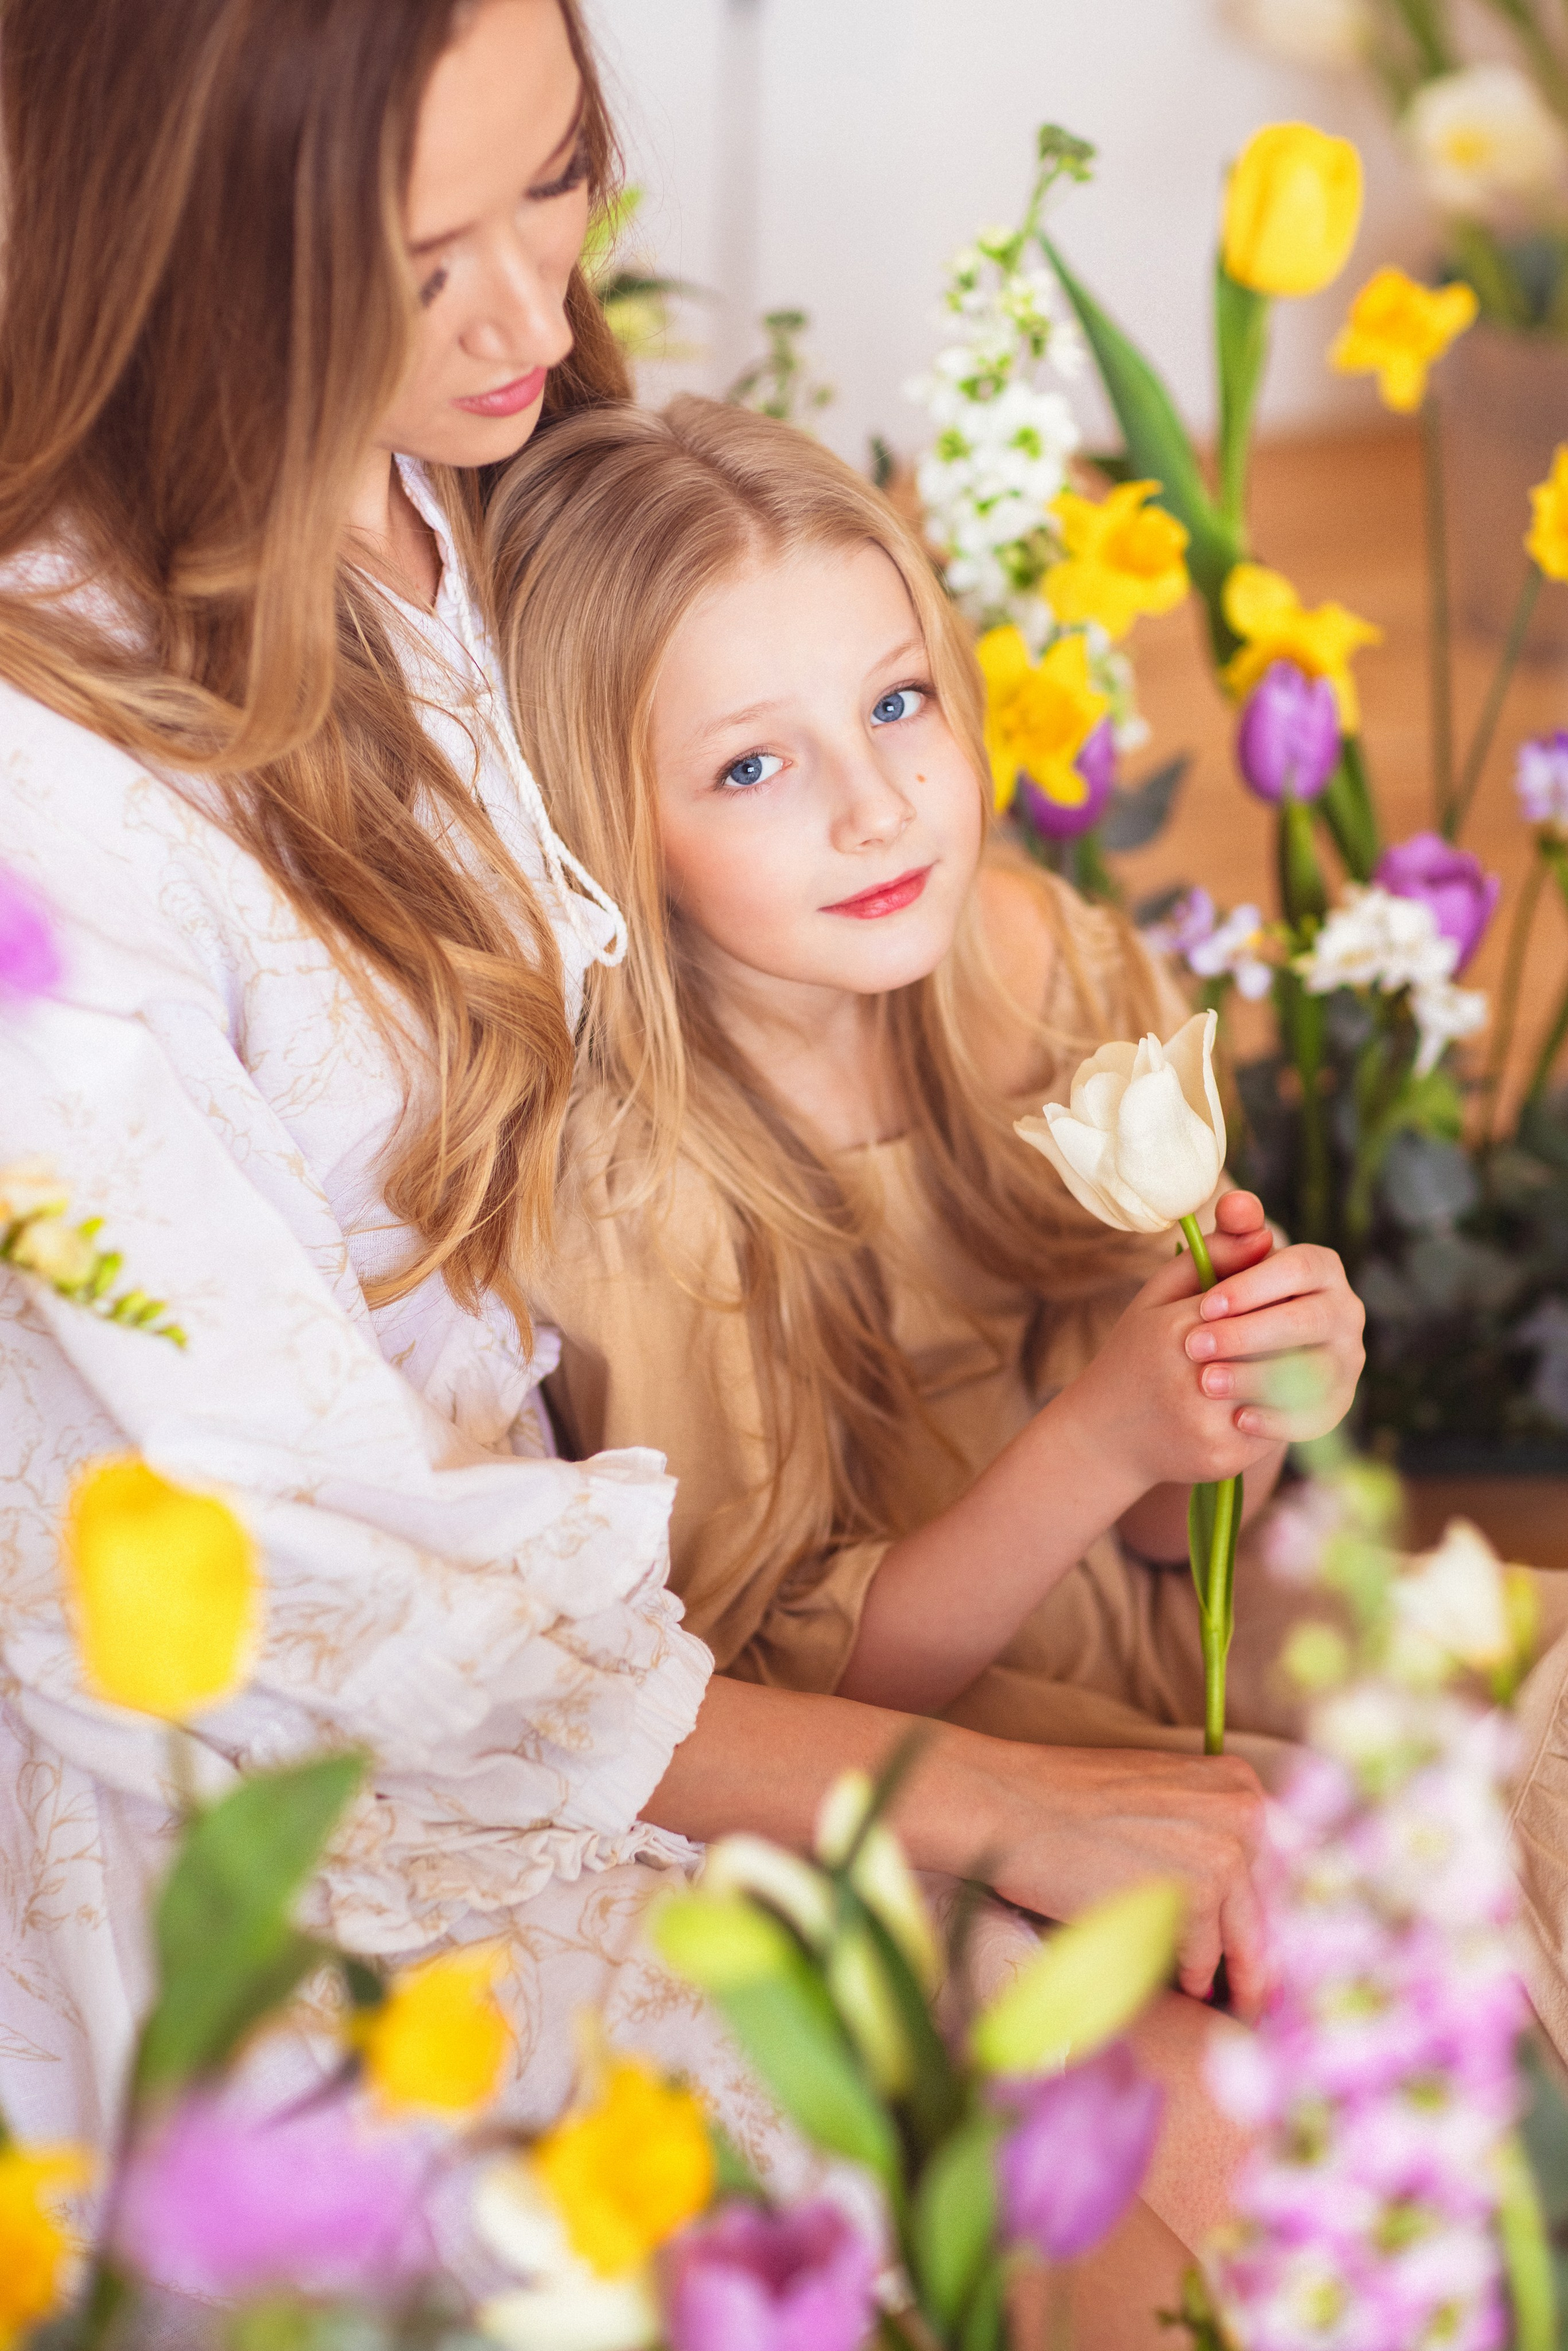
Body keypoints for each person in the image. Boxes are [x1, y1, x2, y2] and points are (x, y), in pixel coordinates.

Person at [0, 2, 1285, 2333]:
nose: (536, 318)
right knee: (1152, 2094)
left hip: (709, 1539)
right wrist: (972, 1794)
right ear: (176, 245)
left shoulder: (481, 474)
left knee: (1320, 1915)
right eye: (420, 260)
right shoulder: (55, 803)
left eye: (559, 177)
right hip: (327, 1746)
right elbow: (309, 1592)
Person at [488, 396, 1365, 1769]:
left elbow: (1171, 1534)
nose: (877, 805)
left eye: (894, 701)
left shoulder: (1056, 973)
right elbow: (784, 1699)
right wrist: (1101, 1436)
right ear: (613, 833)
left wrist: (1240, 1391)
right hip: (961, 1753)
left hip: (1193, 1619)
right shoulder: (638, 1183)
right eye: (751, 765)